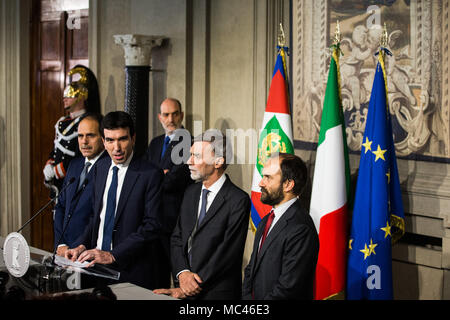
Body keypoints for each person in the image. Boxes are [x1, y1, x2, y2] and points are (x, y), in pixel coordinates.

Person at [65, 111, 165, 290]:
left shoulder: (150, 174)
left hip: (131, 271)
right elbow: (97, 218)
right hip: (96, 269)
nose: (116, 147)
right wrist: (81, 245)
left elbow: (152, 226)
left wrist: (113, 255)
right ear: (103, 142)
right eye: (110, 140)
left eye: (122, 139)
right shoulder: (100, 168)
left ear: (133, 139)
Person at [154, 130, 250, 300]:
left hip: (216, 293)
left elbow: (227, 253)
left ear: (218, 161)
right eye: (190, 155)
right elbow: (177, 237)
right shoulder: (190, 192)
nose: (189, 161)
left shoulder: (238, 200)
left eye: (196, 156)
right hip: (183, 287)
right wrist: (183, 274)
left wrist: (191, 286)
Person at [242, 153, 319, 300]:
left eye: (268, 177)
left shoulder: (301, 228)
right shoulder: (266, 220)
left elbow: (288, 288)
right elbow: (251, 269)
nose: (260, 183)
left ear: (288, 184)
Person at [146, 98, 193, 284]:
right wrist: (161, 174)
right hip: (154, 217)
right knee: (156, 274)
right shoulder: (155, 143)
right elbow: (145, 176)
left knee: (178, 274)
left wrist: (156, 176)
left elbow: (173, 180)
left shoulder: (188, 141)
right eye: (166, 114)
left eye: (174, 114)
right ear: (160, 117)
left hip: (175, 218)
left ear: (181, 115)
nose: (170, 119)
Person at [53, 113, 107, 256]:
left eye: (90, 135)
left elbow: (98, 216)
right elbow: (61, 206)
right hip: (65, 252)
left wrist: (77, 247)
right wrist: (61, 244)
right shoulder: (74, 165)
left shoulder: (108, 169)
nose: (84, 141)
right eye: (80, 136)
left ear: (103, 138)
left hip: (89, 253)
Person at [43, 65, 101, 198]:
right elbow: (56, 149)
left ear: (82, 96)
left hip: (76, 178)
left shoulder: (89, 121)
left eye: (69, 94)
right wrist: (49, 165)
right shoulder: (62, 122)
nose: (65, 98)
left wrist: (57, 170)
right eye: (65, 95)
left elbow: (83, 154)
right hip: (58, 182)